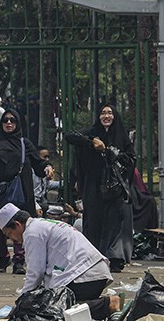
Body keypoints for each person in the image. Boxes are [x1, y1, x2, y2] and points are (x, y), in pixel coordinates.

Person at [0, 203, 122, 320]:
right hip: (90, 271)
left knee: (52, 311)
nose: (12, 239)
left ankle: (107, 304)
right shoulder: (41, 225)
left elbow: (35, 273)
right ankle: (104, 307)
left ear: (17, 224)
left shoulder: (32, 233)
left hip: (82, 275)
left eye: (9, 234)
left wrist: (21, 303)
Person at [0, 109, 53, 274]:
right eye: (5, 120)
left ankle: (19, 260)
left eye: (12, 120)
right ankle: (3, 258)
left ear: (18, 123)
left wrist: (46, 167)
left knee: (20, 225)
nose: (9, 123)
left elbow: (38, 163)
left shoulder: (24, 143)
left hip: (20, 192)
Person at [65, 103, 135, 272]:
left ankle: (113, 257)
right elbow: (70, 136)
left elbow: (131, 159)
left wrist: (114, 153)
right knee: (94, 220)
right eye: (103, 113)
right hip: (94, 184)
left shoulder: (121, 136)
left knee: (114, 221)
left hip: (115, 186)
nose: (106, 116)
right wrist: (91, 142)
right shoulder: (91, 133)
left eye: (110, 113)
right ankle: (93, 256)